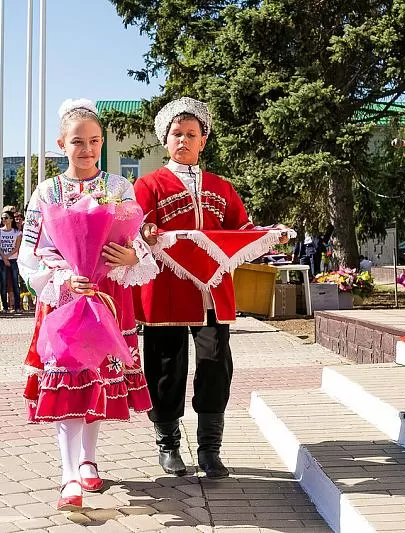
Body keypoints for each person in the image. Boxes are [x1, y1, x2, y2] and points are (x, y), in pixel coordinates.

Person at [134, 97, 288, 479]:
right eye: (176, 134)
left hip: (212, 295)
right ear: (164, 140)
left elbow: (241, 229)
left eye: (191, 134)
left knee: (215, 364)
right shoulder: (148, 185)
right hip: (166, 292)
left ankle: (210, 449)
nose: (183, 140)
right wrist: (146, 231)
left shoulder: (222, 187)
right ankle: (168, 444)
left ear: (204, 140)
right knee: (166, 367)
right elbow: (133, 226)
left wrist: (270, 236)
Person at [19, 99, 156, 510]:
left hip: (107, 295)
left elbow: (135, 238)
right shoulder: (46, 191)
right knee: (67, 381)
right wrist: (63, 278)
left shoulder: (119, 188)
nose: (87, 149)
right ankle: (67, 474)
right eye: (78, 142)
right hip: (65, 298)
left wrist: (134, 257)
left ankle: (89, 460)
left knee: (97, 376)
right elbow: (31, 250)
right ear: (61, 143)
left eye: (94, 141)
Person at [0, 210, 23, 313]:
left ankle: (17, 306)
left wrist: (8, 256)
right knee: (3, 282)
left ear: (11, 219)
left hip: (13, 259)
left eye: (6, 218)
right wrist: (4, 257)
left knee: (15, 282)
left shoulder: (17, 232)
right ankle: (5, 307)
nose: (4, 220)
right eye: (2, 218)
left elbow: (17, 247)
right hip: (1, 260)